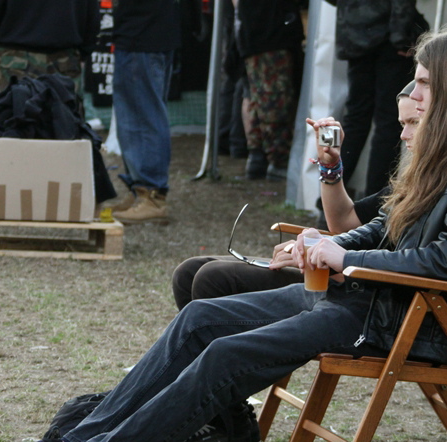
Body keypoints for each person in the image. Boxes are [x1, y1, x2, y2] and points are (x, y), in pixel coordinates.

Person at [0, 26, 447, 442]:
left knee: (226, 352)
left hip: (406, 319)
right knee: (200, 319)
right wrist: (327, 243)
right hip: (370, 299)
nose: (412, 91)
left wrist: (345, 255)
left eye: (424, 82)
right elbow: (385, 225)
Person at [171, 81, 419, 309]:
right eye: (402, 124)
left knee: (212, 277)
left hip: (365, 293)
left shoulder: (443, 189)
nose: (403, 135)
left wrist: (327, 256)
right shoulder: (417, 180)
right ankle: (201, 357)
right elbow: (344, 223)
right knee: (189, 272)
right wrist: (330, 166)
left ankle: (217, 357)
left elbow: (407, 265)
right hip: (341, 272)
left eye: (413, 123)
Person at [326, 0, 427, 197]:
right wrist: (401, 36)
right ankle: (374, 203)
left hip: (355, 35)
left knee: (356, 119)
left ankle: (332, 197)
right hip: (387, 39)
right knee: (387, 124)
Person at [110, 0, 180, 225]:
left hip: (141, 34)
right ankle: (143, 192)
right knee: (143, 114)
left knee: (142, 116)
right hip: (150, 32)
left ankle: (151, 195)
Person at [0, 0, 100, 104]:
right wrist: (84, 53)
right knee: (63, 125)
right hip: (64, 60)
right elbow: (93, 17)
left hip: (12, 61)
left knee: (3, 124)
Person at [234, 0, 303, 181]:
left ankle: (259, 157)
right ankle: (276, 160)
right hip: (269, 34)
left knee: (256, 98)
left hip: (257, 33)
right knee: (274, 100)